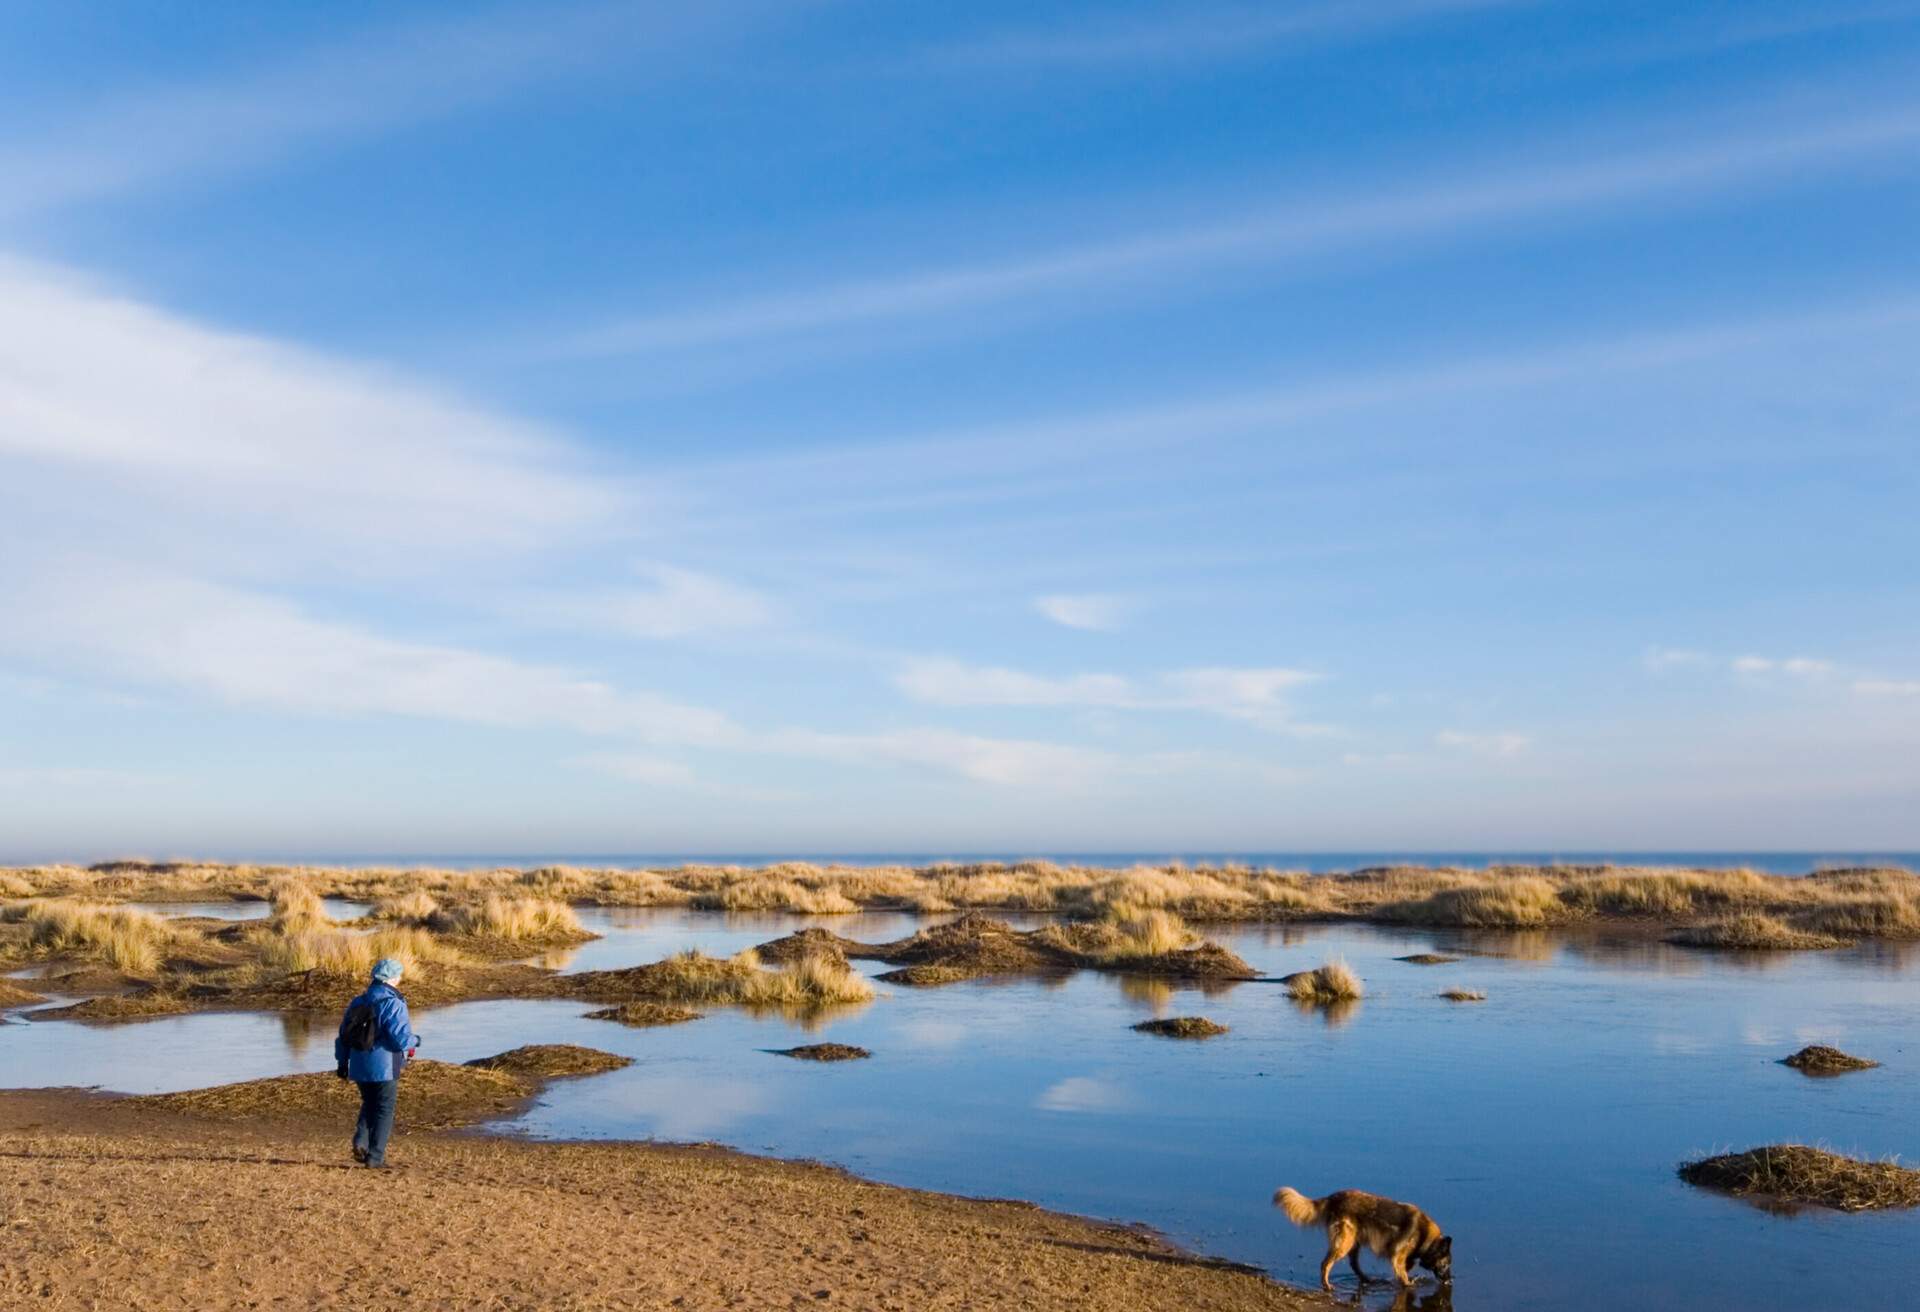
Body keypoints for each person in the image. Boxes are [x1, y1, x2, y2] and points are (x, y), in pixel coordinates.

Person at [334, 956, 422, 1169]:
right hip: (384, 1065)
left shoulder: (358, 1001)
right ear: (392, 979)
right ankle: (375, 1157)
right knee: (384, 1108)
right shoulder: (394, 1003)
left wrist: (342, 1063)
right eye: (399, 976)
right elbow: (400, 1039)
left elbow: (343, 1036)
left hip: (358, 1063)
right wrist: (416, 1040)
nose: (400, 979)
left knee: (369, 1103)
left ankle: (361, 1140)